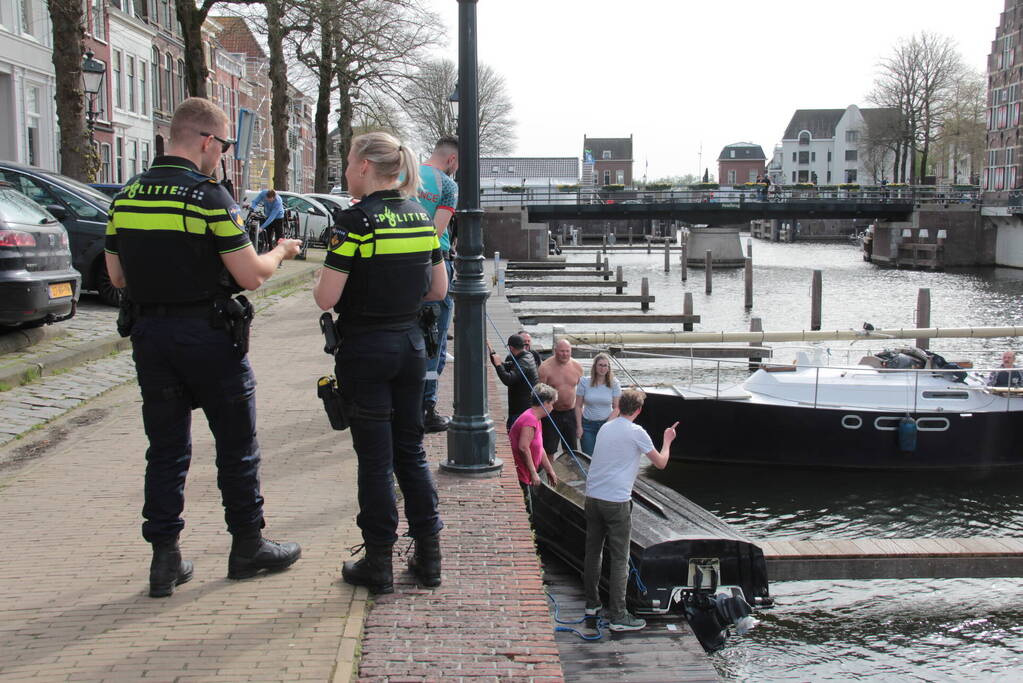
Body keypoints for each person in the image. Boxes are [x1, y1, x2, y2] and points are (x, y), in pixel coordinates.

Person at [104, 97, 303, 598]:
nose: (223, 156)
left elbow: (117, 275)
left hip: (151, 339)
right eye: (224, 146)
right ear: (208, 141)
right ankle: (247, 547)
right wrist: (282, 250)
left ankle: (164, 560)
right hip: (210, 337)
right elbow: (251, 276)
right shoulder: (207, 197)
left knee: (166, 451)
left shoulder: (126, 197)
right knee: (237, 448)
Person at [313, 131, 448, 594]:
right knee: (410, 451)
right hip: (410, 347)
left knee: (374, 461)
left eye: (349, 163)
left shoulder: (354, 222)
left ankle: (379, 563)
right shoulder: (419, 217)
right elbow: (438, 289)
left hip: (366, 349)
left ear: (366, 166)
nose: (346, 171)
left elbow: (326, 297)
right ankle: (429, 558)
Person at [583, 390, 678, 631]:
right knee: (619, 559)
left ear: (620, 406)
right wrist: (667, 440)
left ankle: (592, 604)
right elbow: (661, 463)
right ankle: (618, 616)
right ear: (638, 411)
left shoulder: (606, 427)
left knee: (593, 553)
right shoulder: (637, 432)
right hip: (616, 502)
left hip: (593, 497)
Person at [418, 136, 459, 433]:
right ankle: (426, 407)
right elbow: (436, 231)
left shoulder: (404, 173)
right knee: (435, 340)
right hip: (434, 264)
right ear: (452, 161)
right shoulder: (447, 185)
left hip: (398, 264)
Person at [508, 383, 560, 514]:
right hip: (521, 474)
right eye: (552, 404)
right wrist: (533, 473)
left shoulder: (536, 419)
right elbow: (523, 447)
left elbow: (540, 448)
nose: (552, 408)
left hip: (526, 474)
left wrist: (550, 470)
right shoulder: (530, 420)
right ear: (545, 403)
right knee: (527, 512)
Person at [538, 339, 584, 457]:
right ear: (555, 351)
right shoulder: (545, 367)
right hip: (552, 413)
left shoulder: (577, 367)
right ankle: (550, 474)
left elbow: (582, 392)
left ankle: (570, 473)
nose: (565, 354)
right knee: (549, 449)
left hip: (571, 412)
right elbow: (539, 394)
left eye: (567, 351)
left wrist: (581, 414)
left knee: (572, 450)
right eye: (562, 351)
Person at [488, 334, 539, 431]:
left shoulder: (524, 361)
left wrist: (499, 365)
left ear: (511, 347)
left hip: (522, 410)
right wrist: (492, 352)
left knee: (515, 436)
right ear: (523, 346)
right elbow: (506, 367)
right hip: (520, 408)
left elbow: (508, 379)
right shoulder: (526, 356)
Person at [575, 353, 622, 455]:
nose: (602, 368)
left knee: (605, 457)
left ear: (608, 368)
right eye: (600, 365)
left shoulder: (614, 383)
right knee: (588, 457)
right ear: (595, 366)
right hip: (587, 425)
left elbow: (617, 408)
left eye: (605, 365)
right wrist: (579, 426)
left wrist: (607, 425)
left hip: (607, 424)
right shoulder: (584, 382)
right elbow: (578, 406)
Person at [249, 188, 285, 254]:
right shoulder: (263, 193)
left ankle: (280, 253)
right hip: (267, 215)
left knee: (279, 237)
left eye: (270, 200)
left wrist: (262, 227)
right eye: (266, 199)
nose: (268, 200)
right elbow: (255, 201)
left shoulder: (278, 202)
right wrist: (252, 209)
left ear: (274, 198)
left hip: (278, 217)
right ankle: (270, 251)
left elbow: (272, 217)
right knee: (268, 236)